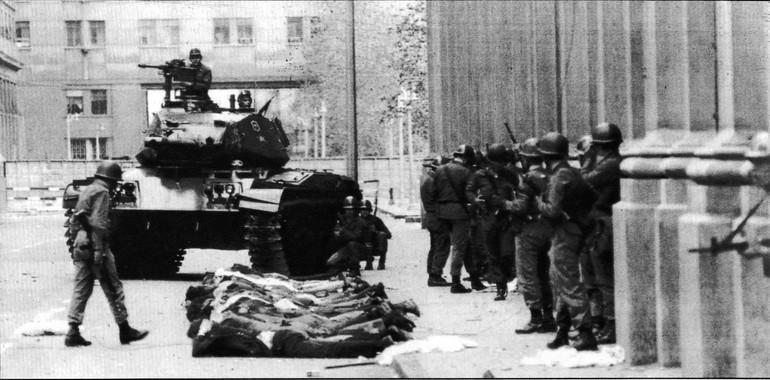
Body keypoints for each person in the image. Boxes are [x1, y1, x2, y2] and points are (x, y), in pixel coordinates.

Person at [64, 161, 149, 347]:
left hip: (81, 243)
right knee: (112, 287)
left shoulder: (88, 189)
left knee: (81, 289)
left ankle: (73, 330)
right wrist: (99, 250)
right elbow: (98, 223)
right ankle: (125, 329)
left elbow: (76, 219)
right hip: (95, 244)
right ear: (111, 180)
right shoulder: (102, 193)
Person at [536, 132, 598, 351]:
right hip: (574, 230)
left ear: (545, 156)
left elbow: (552, 210)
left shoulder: (559, 176)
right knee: (560, 280)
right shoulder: (571, 171)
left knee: (568, 282)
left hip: (565, 232)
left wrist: (538, 202)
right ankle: (562, 331)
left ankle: (585, 332)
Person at [500, 138, 556, 332]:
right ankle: (549, 316)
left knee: (528, 274)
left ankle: (535, 317)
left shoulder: (528, 179)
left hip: (528, 229)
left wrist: (503, 204)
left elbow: (521, 206)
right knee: (544, 274)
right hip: (547, 227)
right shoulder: (550, 174)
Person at [580, 122, 622, 344]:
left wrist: (586, 158)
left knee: (604, 279)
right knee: (594, 278)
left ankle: (612, 325)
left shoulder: (611, 164)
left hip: (603, 225)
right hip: (596, 224)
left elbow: (583, 179)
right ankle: (604, 323)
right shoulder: (608, 161)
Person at [466, 143, 518, 299]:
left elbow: (521, 188)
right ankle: (500, 286)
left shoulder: (510, 175)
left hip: (506, 217)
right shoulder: (479, 175)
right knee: (493, 253)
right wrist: (475, 200)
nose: (499, 166)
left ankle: (506, 276)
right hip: (488, 217)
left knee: (507, 253)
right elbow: (469, 190)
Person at [430, 144, 478, 294]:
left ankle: (473, 277)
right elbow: (469, 194)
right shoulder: (466, 172)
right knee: (459, 246)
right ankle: (456, 281)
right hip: (459, 213)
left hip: (442, 212)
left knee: (447, 244)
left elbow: (433, 192)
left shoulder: (440, 170)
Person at [421, 156, 452, 287]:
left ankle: (433, 272)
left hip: (432, 217)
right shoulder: (433, 181)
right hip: (437, 217)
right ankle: (435, 274)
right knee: (442, 246)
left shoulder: (428, 180)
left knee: (435, 246)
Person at [326, 196, 370, 276]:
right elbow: (337, 236)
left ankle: (355, 268)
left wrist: (343, 231)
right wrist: (337, 234)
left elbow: (356, 237)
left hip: (360, 249)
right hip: (346, 248)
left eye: (351, 209)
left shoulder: (360, 221)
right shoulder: (342, 221)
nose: (349, 211)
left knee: (352, 244)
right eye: (347, 209)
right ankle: (342, 268)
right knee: (330, 262)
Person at [360, 200, 392, 270]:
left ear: (370, 210)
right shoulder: (357, 220)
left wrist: (376, 231)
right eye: (362, 210)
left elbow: (388, 234)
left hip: (375, 245)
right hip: (360, 245)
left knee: (382, 235)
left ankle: (381, 263)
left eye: (366, 210)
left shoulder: (376, 220)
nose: (364, 211)